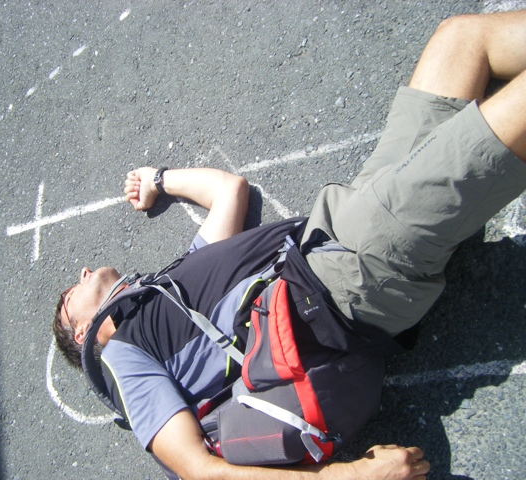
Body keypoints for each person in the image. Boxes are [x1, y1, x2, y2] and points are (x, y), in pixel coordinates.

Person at [53, 10, 526, 480]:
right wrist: (352, 477)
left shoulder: (166, 294)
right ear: (83, 332)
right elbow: (200, 471)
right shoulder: (120, 359)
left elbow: (229, 192)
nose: (81, 275)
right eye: (70, 296)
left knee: (461, 40)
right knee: (501, 119)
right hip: (344, 277)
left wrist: (158, 180)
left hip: (337, 223)